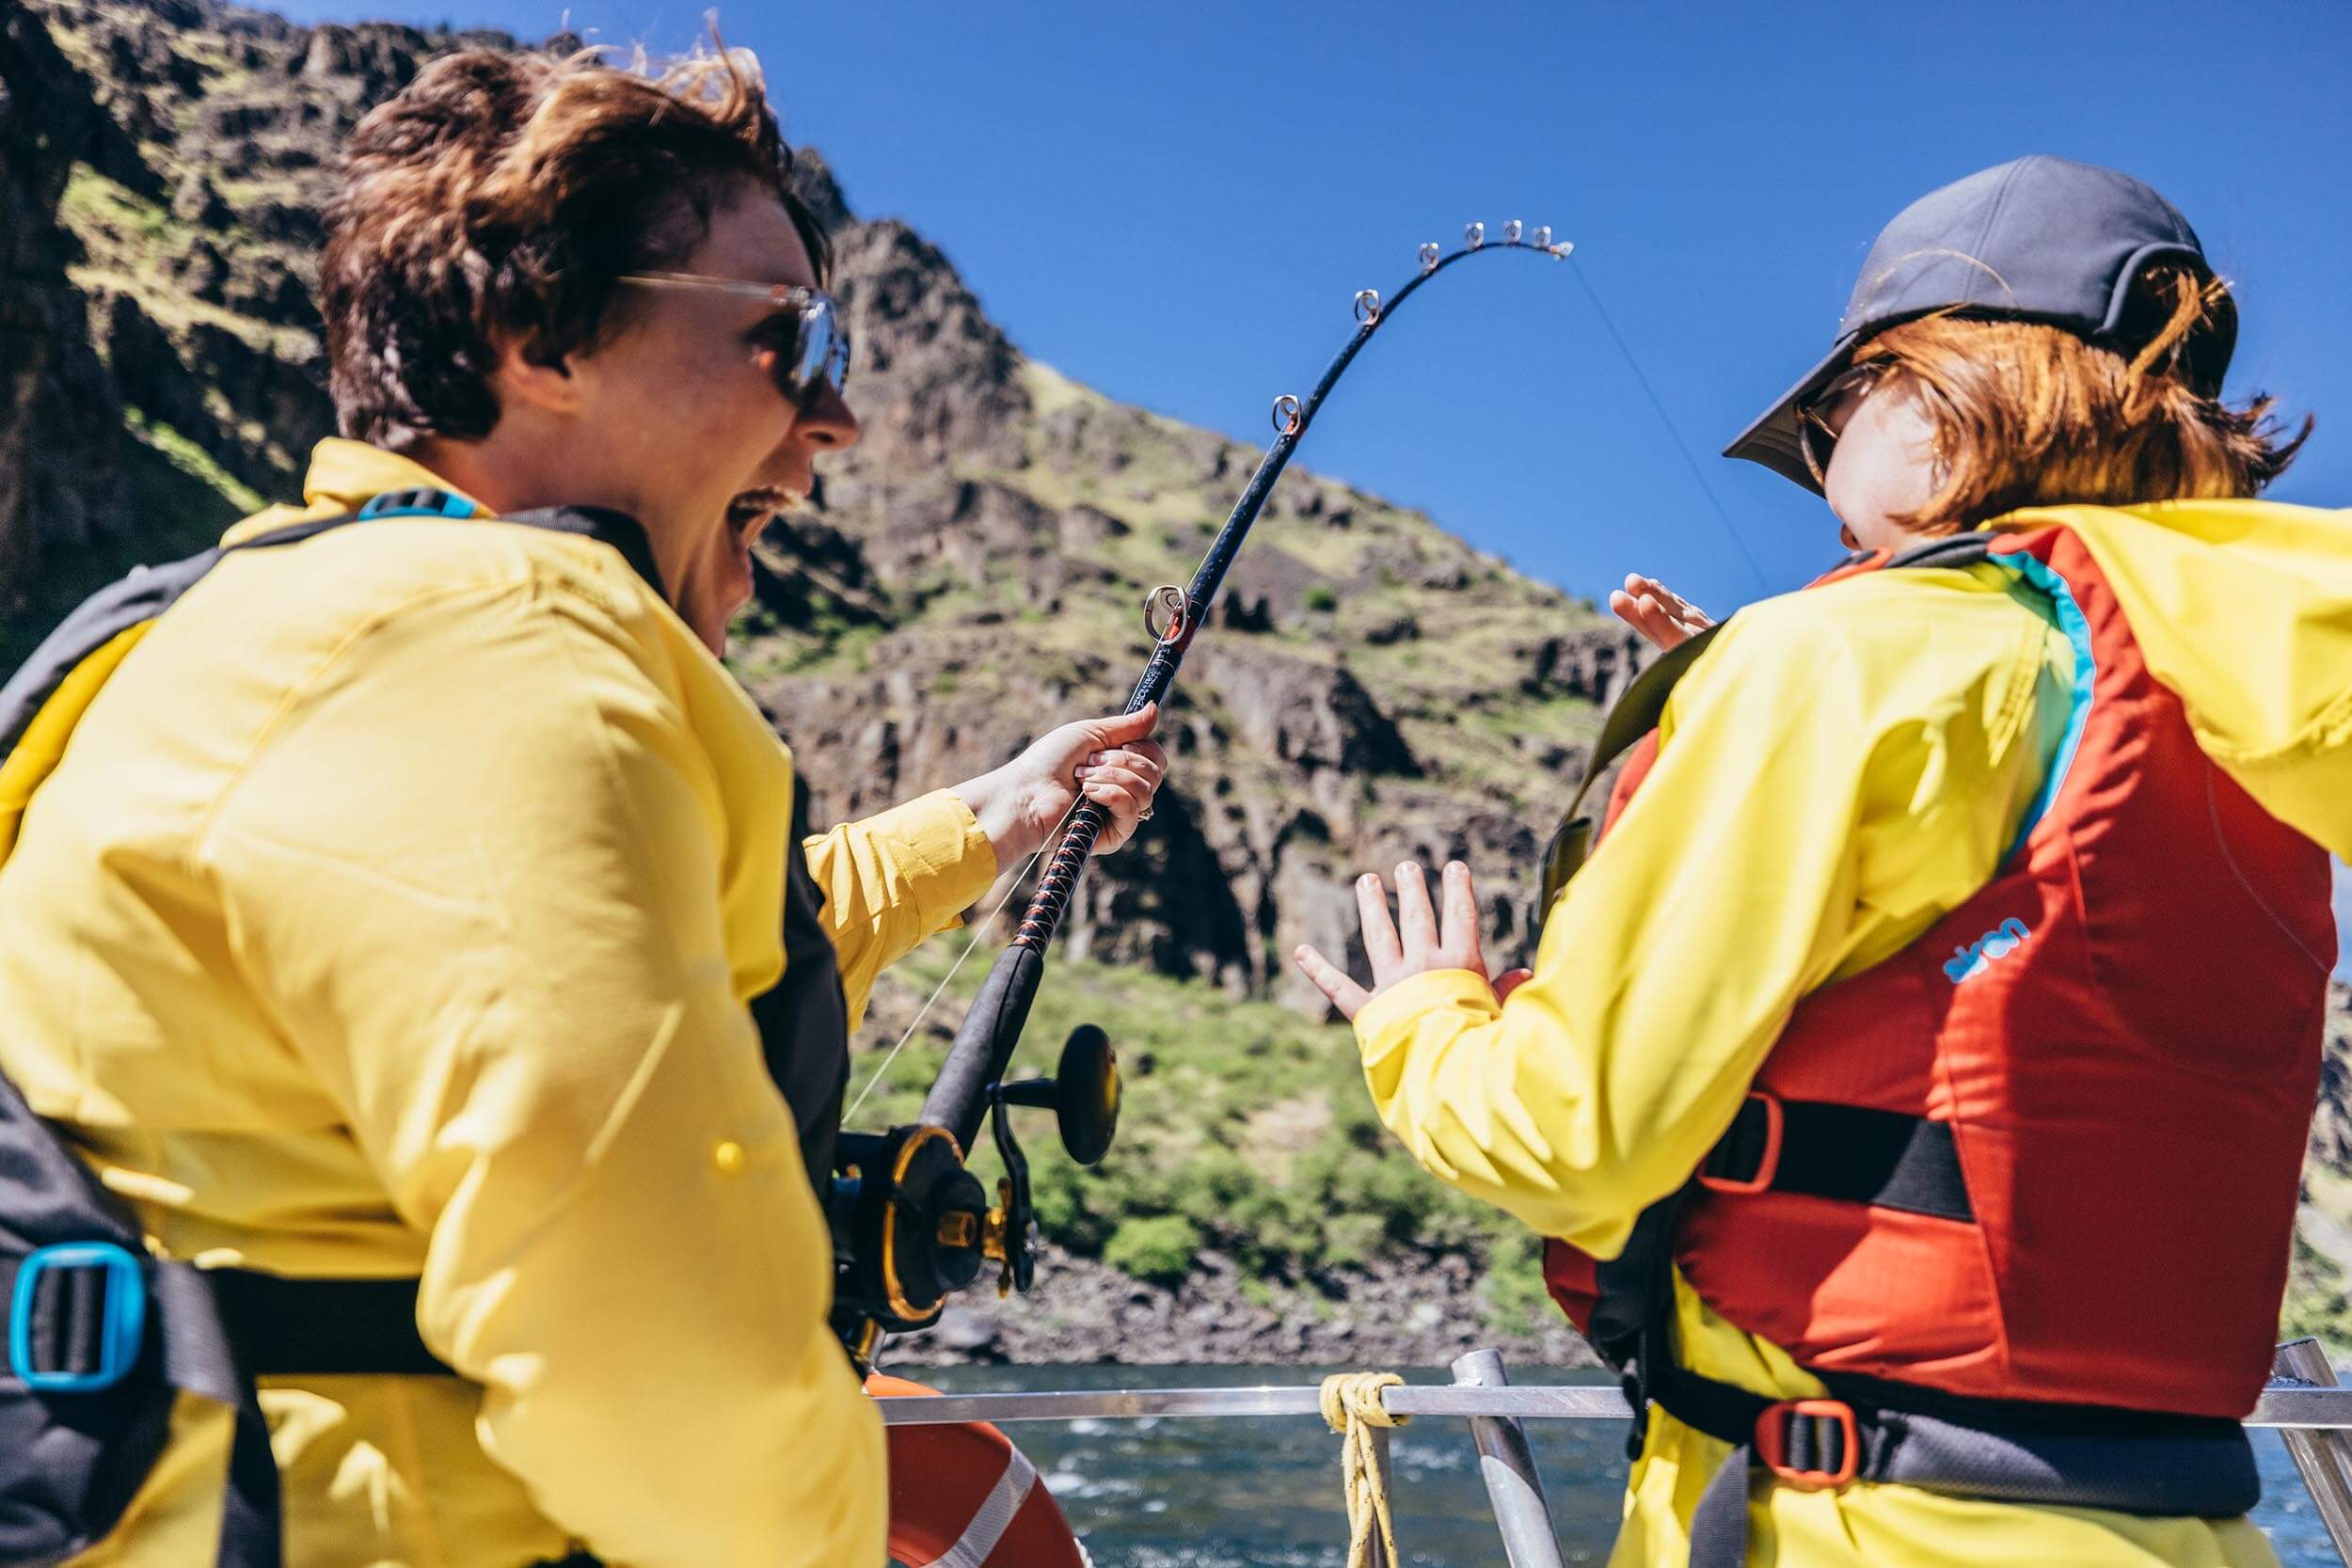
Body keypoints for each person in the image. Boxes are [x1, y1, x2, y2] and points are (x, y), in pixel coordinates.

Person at [0, 42, 1165, 1568]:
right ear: (535, 331)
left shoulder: (228, 629)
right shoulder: (488, 644)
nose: (835, 423)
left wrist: (999, 813)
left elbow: (680, 931)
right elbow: (666, 1370)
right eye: (786, 337)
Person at [1296, 154, 2352, 1566]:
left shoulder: (1834, 665)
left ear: (1939, 384)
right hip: (2186, 1527)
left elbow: (1573, 1136)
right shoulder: (2227, 708)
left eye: (1836, 405)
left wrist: (1421, 1019)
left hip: (1853, 1518)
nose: (1823, 467)